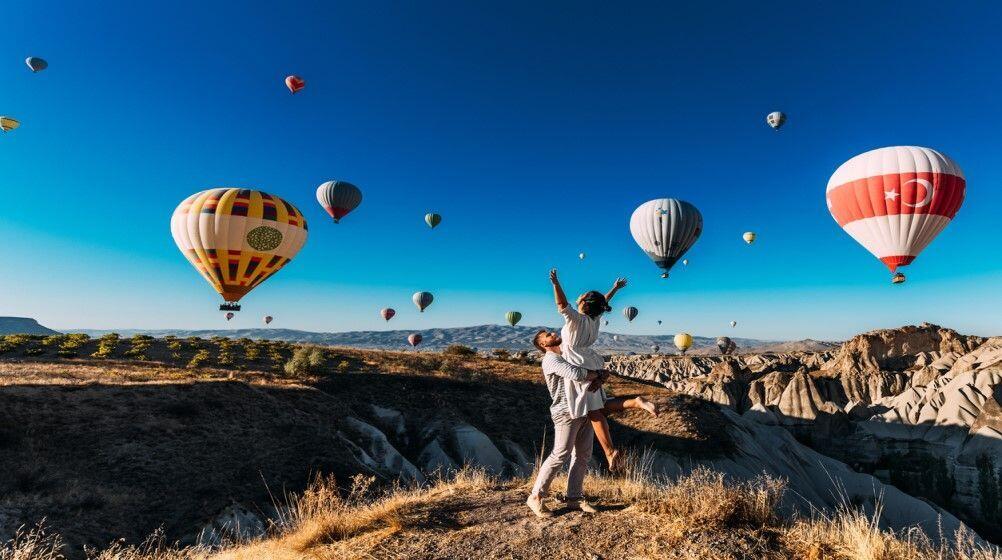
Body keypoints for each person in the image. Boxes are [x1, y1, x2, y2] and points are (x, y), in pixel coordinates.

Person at [549, 269, 658, 472]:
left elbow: (562, 304)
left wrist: (556, 283)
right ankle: (635, 402)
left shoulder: (576, 319)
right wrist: (614, 289)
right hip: (591, 361)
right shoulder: (594, 320)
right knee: (599, 408)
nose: (579, 297)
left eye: (581, 297)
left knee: (593, 412)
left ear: (583, 304)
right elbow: (602, 303)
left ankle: (609, 452)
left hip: (578, 364)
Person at [526, 329, 603, 518]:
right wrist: (598, 374)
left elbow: (586, 369)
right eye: (547, 335)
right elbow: (577, 374)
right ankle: (536, 497)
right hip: (565, 412)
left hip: (584, 409)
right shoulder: (551, 360)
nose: (552, 333)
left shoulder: (567, 356)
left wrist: (597, 374)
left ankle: (574, 498)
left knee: (583, 454)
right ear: (544, 345)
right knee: (560, 454)